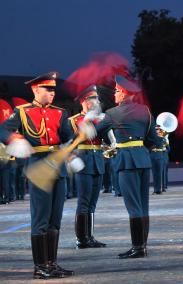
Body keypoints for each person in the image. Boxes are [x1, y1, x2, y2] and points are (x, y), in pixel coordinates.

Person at [0, 72, 79, 279]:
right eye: (48, 89)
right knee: (40, 219)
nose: (52, 93)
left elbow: (67, 136)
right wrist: (16, 138)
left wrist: (75, 139)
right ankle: (40, 266)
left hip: (58, 168)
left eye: (54, 90)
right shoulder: (22, 112)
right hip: (39, 168)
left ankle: (52, 264)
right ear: (36, 90)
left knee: (55, 219)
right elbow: (3, 130)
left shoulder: (60, 113)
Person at [94, 75, 161, 259]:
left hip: (126, 161)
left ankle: (137, 247)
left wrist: (89, 122)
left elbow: (94, 134)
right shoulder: (145, 111)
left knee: (133, 206)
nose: (115, 94)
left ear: (123, 93)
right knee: (143, 205)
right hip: (143, 159)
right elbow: (154, 140)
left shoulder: (112, 113)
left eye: (116, 91)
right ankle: (143, 246)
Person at [69, 85, 107, 249]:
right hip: (83, 161)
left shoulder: (100, 119)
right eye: (94, 98)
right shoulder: (74, 120)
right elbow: (71, 141)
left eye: (97, 98)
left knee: (92, 202)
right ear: (85, 101)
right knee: (83, 201)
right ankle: (81, 238)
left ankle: (89, 236)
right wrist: (86, 121)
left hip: (97, 160)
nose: (97, 101)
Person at [150, 126, 168, 195]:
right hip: (153, 156)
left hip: (159, 156)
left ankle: (159, 189)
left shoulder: (162, 138)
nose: (157, 130)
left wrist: (164, 135)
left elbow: (163, 145)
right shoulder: (152, 138)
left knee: (160, 173)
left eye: (158, 129)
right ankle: (155, 190)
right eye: (156, 129)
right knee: (154, 174)